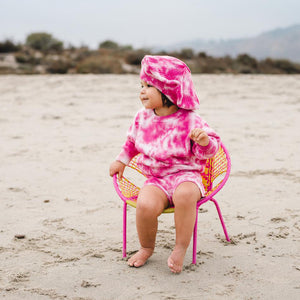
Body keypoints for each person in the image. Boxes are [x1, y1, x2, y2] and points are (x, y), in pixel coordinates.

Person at [109, 55, 220, 273]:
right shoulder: (143, 118)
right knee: (145, 205)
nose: (142, 90)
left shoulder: (191, 120)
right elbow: (132, 142)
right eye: (141, 85)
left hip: (187, 175)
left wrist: (204, 141)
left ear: (170, 90)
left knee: (185, 195)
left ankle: (180, 247)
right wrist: (121, 160)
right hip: (157, 179)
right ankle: (146, 247)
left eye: (149, 85)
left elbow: (209, 151)